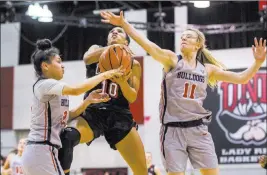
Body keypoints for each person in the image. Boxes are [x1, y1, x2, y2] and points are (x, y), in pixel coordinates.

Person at [100, 11, 267, 175]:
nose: (184, 38)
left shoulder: (207, 69)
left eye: (188, 36)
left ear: (198, 44)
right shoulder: (172, 60)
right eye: (182, 37)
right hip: (172, 131)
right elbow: (147, 45)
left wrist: (258, 62)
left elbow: (242, 78)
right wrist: (124, 24)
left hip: (198, 129)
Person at [21, 39, 123, 175]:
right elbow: (76, 89)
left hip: (40, 152)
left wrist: (87, 101)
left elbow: (66, 117)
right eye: (58, 62)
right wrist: (106, 74)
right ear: (45, 66)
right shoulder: (43, 84)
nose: (62, 66)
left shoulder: (54, 90)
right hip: (42, 150)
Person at [58, 27, 147, 175]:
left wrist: (123, 83)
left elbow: (132, 97)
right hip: (94, 111)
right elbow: (87, 58)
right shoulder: (96, 50)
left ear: (126, 41)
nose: (114, 32)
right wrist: (114, 47)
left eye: (119, 31)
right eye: (111, 31)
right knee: (66, 137)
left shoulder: (133, 64)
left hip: (120, 114)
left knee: (142, 171)